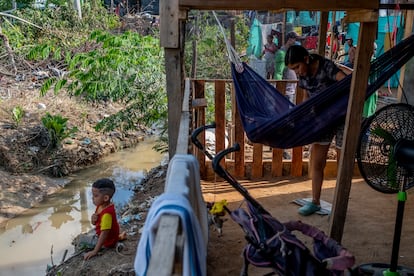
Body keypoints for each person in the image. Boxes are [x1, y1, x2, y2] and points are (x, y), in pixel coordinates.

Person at [285, 45, 347, 216]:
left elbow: (346, 82)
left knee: (343, 164)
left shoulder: (326, 67)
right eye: (293, 69)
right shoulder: (303, 78)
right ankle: (315, 202)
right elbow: (306, 99)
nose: (297, 72)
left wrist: (335, 101)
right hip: (322, 120)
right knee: (317, 162)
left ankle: (340, 204)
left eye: (297, 67)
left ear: (306, 59)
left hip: (342, 117)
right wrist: (300, 119)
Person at [84, 178, 120, 260]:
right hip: (103, 235)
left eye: (96, 196)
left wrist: (95, 251)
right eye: (92, 195)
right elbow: (95, 223)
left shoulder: (107, 214)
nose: (92, 198)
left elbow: (104, 234)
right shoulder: (101, 206)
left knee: (80, 240)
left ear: (106, 198)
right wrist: (93, 219)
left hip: (107, 242)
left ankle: (110, 243)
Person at [274, 31, 299, 103]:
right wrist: (279, 90)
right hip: (286, 91)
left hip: (292, 89)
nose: (296, 42)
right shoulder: (281, 53)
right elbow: (278, 73)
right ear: (289, 40)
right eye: (295, 40)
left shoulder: (290, 52)